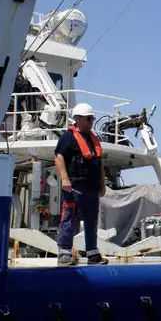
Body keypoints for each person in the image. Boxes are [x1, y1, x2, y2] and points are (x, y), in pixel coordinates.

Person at [54, 102, 108, 265]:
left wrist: (102, 183)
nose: (91, 121)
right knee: (69, 218)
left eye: (92, 118)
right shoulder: (68, 137)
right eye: (88, 119)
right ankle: (64, 253)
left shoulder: (93, 139)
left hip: (91, 187)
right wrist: (64, 178)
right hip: (75, 186)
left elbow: (98, 162)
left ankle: (92, 253)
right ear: (77, 119)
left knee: (91, 220)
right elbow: (59, 156)